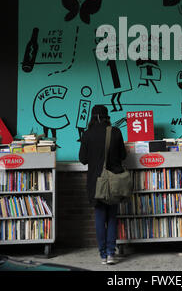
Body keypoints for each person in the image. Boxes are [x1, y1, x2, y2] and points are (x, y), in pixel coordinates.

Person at [79, 104, 127, 265]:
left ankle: (103, 255)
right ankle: (111, 253)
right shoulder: (115, 132)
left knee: (99, 217)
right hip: (113, 182)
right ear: (106, 117)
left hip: (95, 182)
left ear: (93, 117)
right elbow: (123, 155)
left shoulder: (87, 135)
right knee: (112, 217)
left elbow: (83, 159)